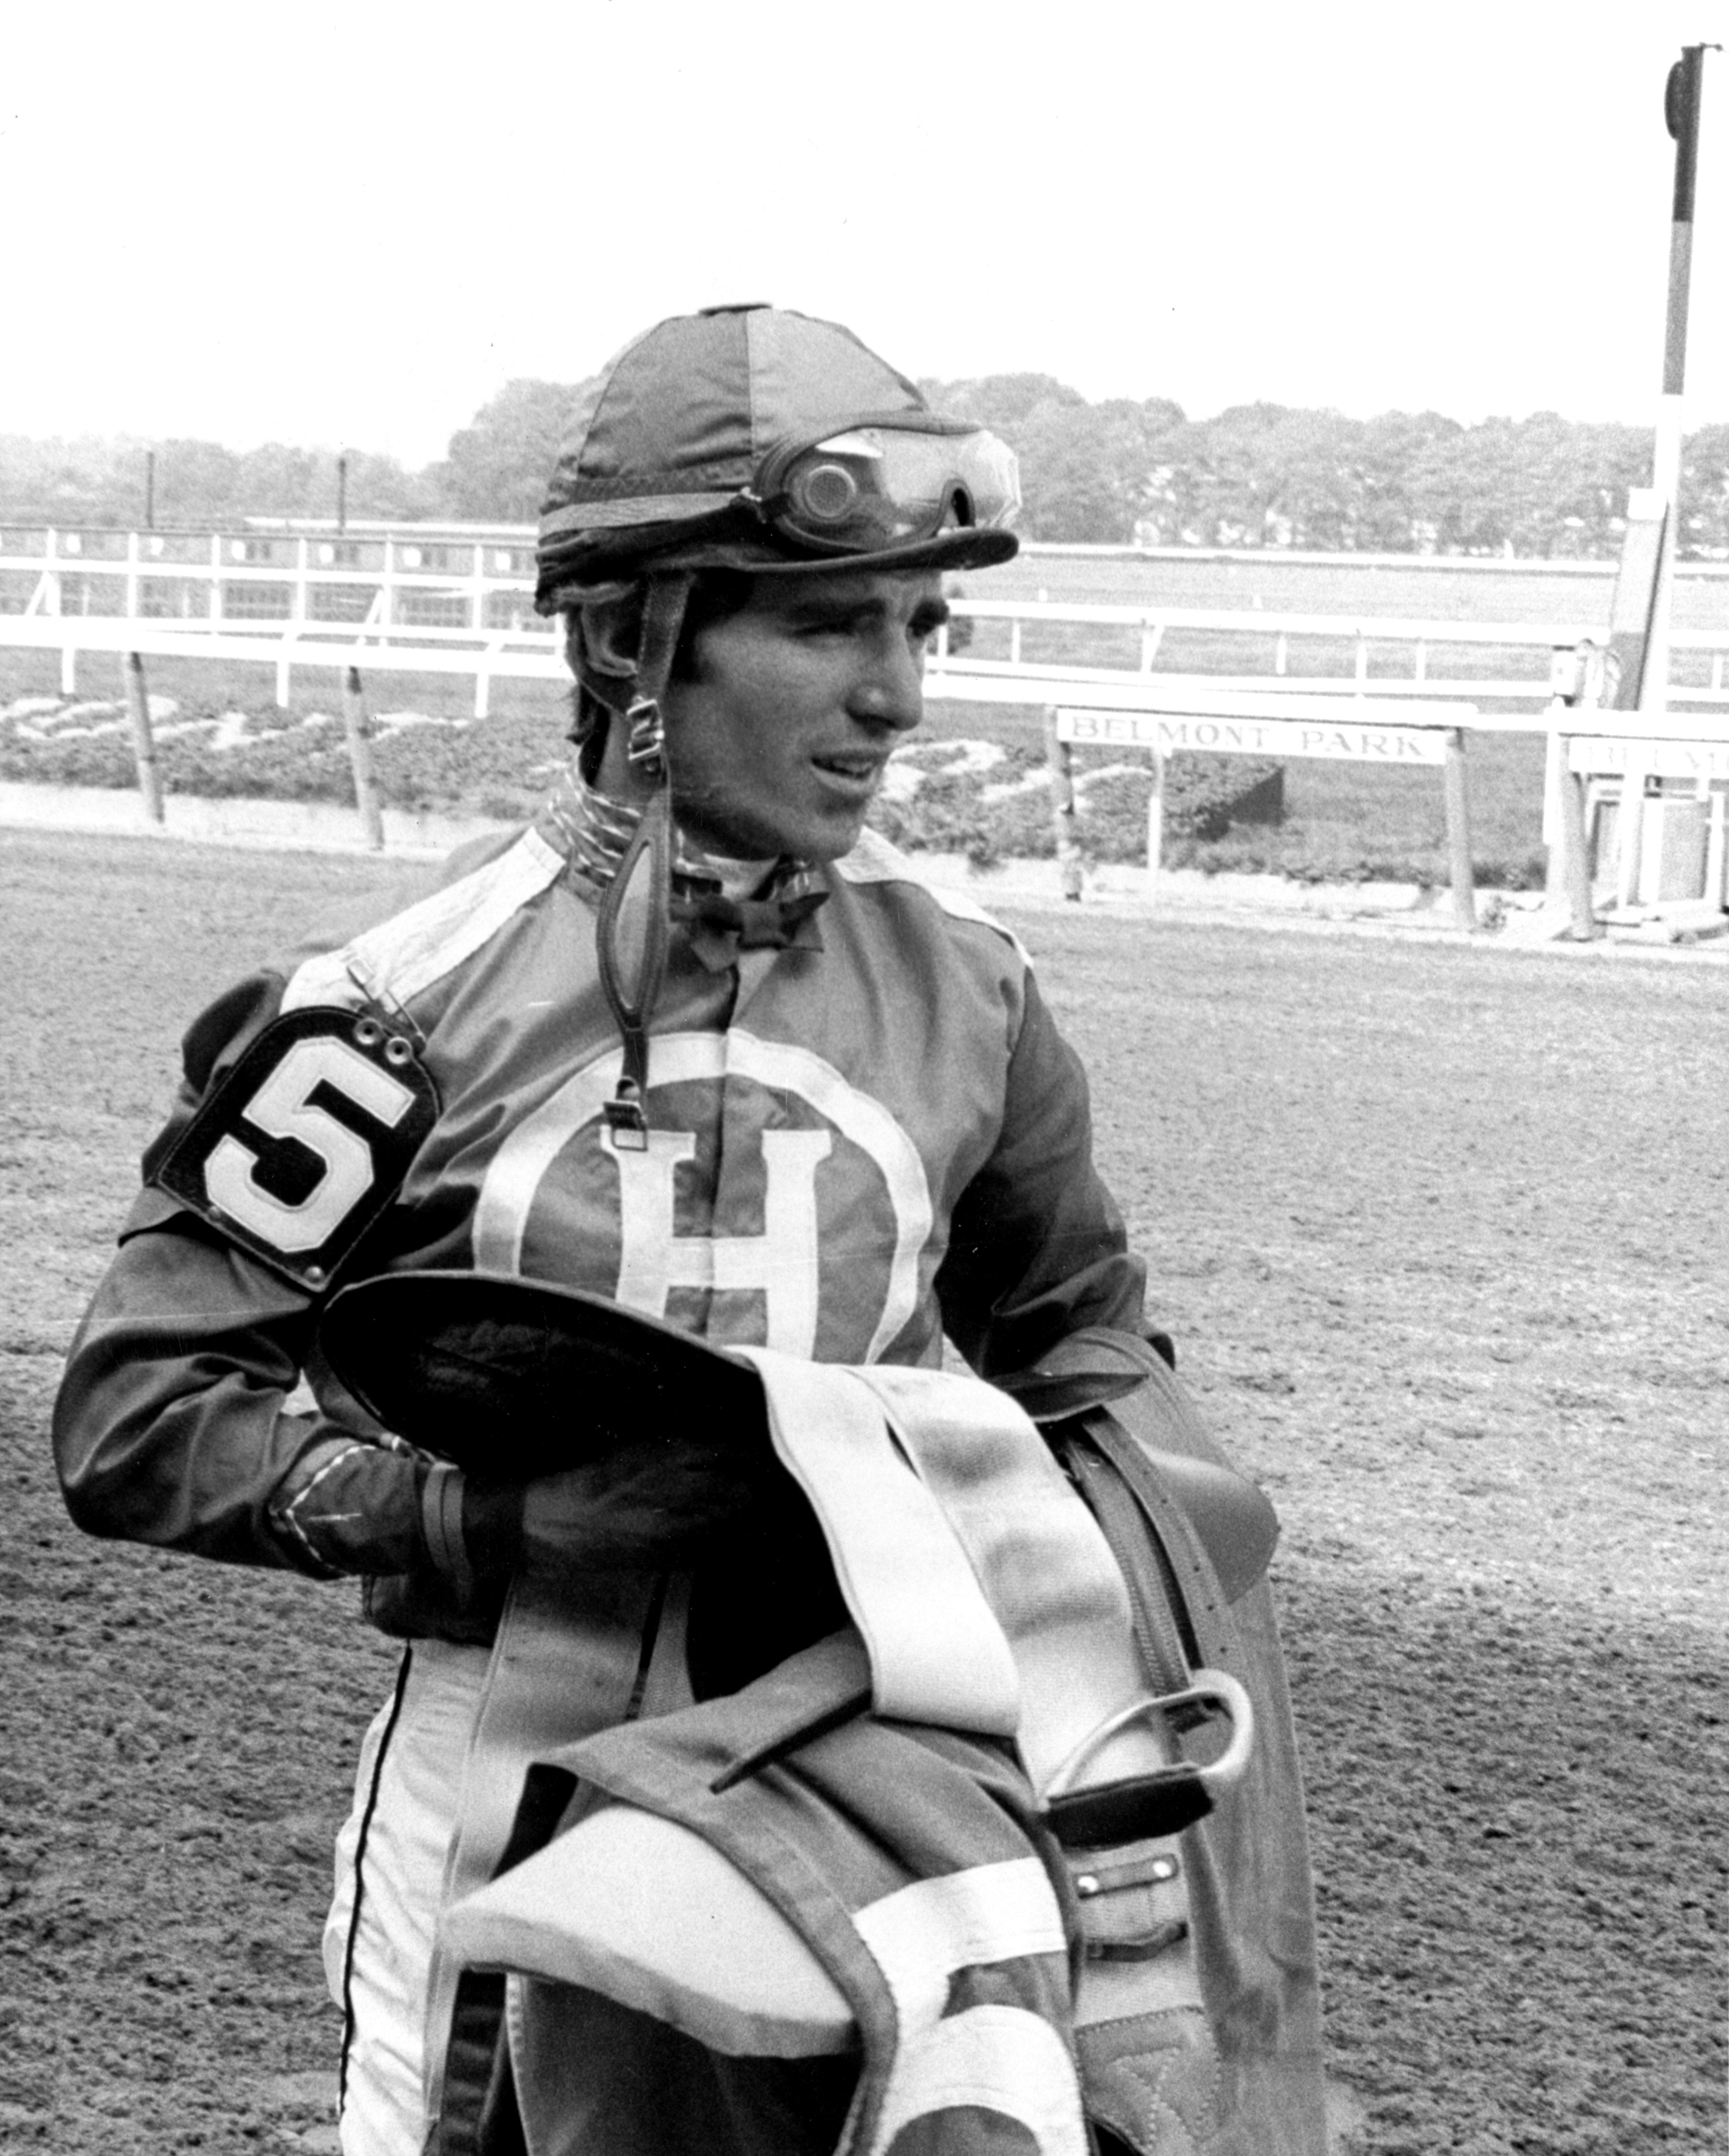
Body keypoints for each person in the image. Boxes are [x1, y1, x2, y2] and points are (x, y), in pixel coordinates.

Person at [52, 304, 1324, 2156]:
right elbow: (137, 1414)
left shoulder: (979, 998)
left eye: (921, 626)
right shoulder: (386, 1016)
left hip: (883, 1795)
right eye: (827, 624)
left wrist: (1110, 1561)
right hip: (500, 1802)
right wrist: (477, 1514)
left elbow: (1092, 1354)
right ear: (628, 638)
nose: (897, 696)